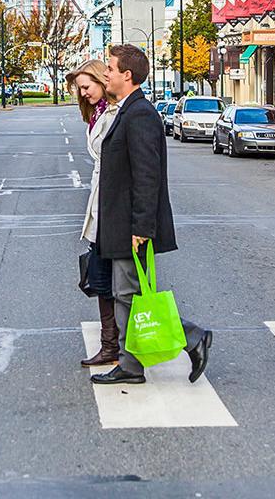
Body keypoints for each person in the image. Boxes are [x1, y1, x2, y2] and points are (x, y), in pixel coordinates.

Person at [90, 44, 212, 386]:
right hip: (121, 223)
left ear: (127, 75)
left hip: (131, 225)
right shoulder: (129, 111)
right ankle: (132, 363)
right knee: (128, 295)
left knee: (129, 293)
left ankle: (191, 338)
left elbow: (147, 174)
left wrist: (141, 226)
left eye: (111, 69)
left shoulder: (140, 114)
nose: (107, 74)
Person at [67, 59, 119, 366]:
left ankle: (189, 337)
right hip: (102, 208)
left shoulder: (113, 115)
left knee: (115, 284)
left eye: (87, 86)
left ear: (102, 80)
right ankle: (110, 345)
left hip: (111, 209)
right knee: (103, 281)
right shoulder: (99, 114)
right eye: (80, 89)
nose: (84, 93)